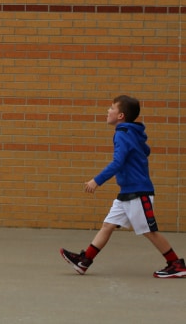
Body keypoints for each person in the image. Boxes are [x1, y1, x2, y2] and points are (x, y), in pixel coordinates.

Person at [60, 95, 185, 278]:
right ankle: (84, 261)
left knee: (149, 232)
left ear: (121, 116)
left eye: (111, 108)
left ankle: (176, 264)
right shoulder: (132, 133)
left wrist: (97, 180)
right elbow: (144, 151)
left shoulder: (122, 134)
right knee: (108, 225)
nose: (108, 111)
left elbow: (117, 162)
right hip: (127, 192)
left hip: (138, 191)